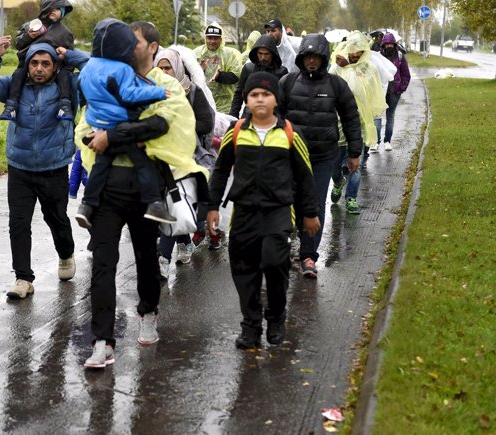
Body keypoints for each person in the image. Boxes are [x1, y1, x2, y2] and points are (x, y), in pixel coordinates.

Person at [76, 21, 207, 368]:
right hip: (106, 189)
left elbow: (162, 125)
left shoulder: (166, 85)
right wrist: (94, 136)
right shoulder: (104, 74)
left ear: (152, 46)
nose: (126, 47)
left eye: (133, 41)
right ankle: (102, 340)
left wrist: (112, 137)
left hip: (147, 188)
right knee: (103, 264)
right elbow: (85, 126)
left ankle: (148, 312)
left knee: (147, 258)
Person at [207, 72, 320, 348]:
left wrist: (310, 212)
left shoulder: (289, 133)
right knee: (244, 270)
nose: (260, 99)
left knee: (274, 263)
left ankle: (276, 317)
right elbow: (220, 171)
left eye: (265, 95)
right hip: (244, 213)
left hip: (278, 212)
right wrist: (211, 207)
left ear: (275, 101)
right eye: (254, 94)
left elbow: (305, 176)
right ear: (246, 99)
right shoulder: (236, 132)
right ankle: (251, 325)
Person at [0, 38, 84, 299]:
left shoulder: (69, 86)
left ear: (55, 66)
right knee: (18, 223)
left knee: (56, 219)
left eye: (46, 63)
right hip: (20, 168)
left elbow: (95, 72)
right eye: (34, 63)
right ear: (28, 65)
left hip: (53, 167)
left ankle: (66, 254)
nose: (39, 68)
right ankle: (23, 278)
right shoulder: (15, 85)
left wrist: (71, 55)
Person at [74, 18, 173, 229]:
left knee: (101, 166)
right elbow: (129, 94)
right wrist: (157, 92)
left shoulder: (89, 66)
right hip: (119, 124)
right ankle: (154, 203)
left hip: (97, 124)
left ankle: (86, 206)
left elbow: (81, 92)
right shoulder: (122, 69)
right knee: (143, 163)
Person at [278, 33, 362, 278]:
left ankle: (308, 255)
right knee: (289, 202)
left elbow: (351, 118)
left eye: (316, 57)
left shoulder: (336, 85)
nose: (311, 62)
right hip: (292, 156)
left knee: (314, 204)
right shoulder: (288, 82)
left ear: (324, 58)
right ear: (301, 58)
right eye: (307, 57)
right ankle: (284, 245)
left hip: (324, 156)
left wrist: (354, 152)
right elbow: (275, 116)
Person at [154, 47, 216, 278]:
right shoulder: (151, 92)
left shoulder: (192, 91)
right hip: (159, 159)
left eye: (167, 67)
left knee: (173, 204)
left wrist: (179, 128)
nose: (163, 72)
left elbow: (206, 123)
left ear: (177, 68)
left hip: (186, 160)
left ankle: (163, 258)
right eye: (159, 68)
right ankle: (184, 241)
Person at [329, 31, 387, 215]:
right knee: (334, 163)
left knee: (356, 164)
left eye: (359, 51)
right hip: (337, 123)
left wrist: (372, 116)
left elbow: (366, 91)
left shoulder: (370, 69)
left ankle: (351, 197)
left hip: (359, 124)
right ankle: (338, 182)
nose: (355, 54)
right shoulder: (336, 67)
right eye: (353, 50)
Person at [0, 0, 75, 122]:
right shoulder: (31, 25)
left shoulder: (65, 32)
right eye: (53, 8)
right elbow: (18, 44)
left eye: (59, 10)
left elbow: (70, 54)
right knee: (18, 74)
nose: (55, 12)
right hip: (28, 64)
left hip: (54, 67)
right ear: (46, 8)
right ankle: (11, 106)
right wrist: (28, 36)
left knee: (65, 75)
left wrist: (65, 68)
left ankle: (65, 106)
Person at [230, 34, 288, 118]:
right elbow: (238, 94)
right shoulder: (248, 69)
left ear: (272, 54)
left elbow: (285, 99)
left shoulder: (281, 72)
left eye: (266, 54)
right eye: (260, 54)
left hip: (273, 116)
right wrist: (233, 116)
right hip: (249, 115)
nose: (263, 57)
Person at [193, 22, 243, 114]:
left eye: (215, 38)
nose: (212, 41)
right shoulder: (196, 53)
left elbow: (235, 76)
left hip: (226, 106)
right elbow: (189, 76)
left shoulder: (230, 54)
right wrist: (201, 71)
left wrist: (219, 76)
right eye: (209, 38)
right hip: (203, 103)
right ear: (205, 38)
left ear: (221, 39)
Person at [374, 32, 410, 152]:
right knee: (377, 116)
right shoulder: (378, 56)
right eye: (387, 44)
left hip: (394, 92)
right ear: (383, 45)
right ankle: (376, 142)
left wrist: (401, 88)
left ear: (394, 45)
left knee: (390, 116)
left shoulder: (400, 57)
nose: (389, 46)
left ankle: (387, 141)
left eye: (391, 44)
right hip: (380, 91)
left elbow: (406, 75)